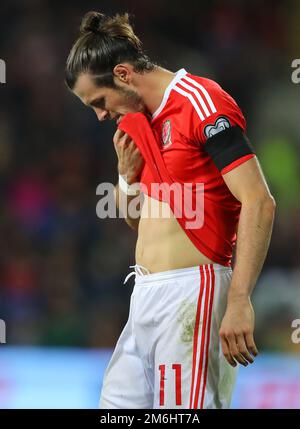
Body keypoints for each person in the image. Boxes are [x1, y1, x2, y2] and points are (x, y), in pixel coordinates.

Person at [65, 11, 276, 409]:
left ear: (124, 74)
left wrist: (240, 299)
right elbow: (134, 220)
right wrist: (126, 178)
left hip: (194, 292)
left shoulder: (200, 102)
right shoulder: (135, 123)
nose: (99, 115)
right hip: (143, 294)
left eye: (98, 101)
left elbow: (259, 200)